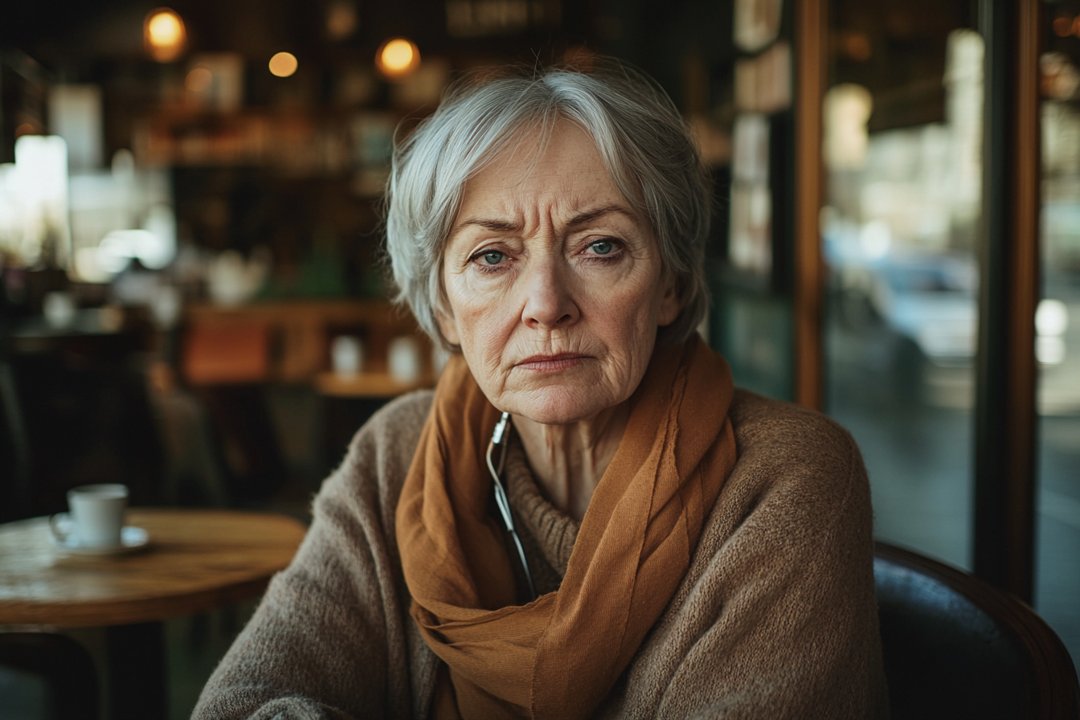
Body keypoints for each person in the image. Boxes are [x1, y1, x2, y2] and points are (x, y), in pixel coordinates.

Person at [193, 60, 888, 719]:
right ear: (441, 308)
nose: (546, 303)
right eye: (492, 256)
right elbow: (247, 701)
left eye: (600, 247)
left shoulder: (784, 479)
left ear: (672, 283)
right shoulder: (396, 453)